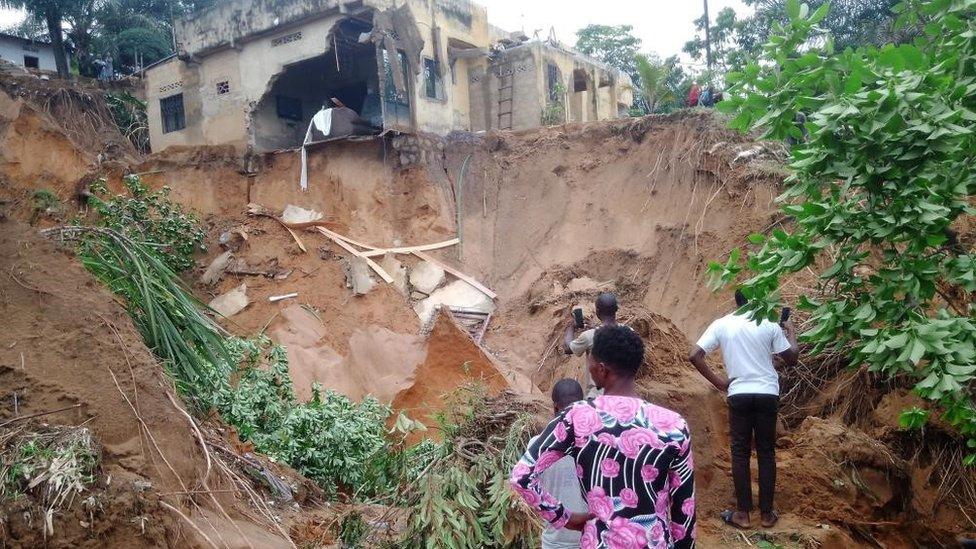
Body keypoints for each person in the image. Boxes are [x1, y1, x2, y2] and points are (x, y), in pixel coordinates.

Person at [512, 325, 696, 548]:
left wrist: (564, 517)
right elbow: (684, 509)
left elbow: (522, 476)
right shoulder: (674, 425)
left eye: (591, 360)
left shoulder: (577, 417)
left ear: (601, 370)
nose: (589, 366)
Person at [687, 290, 798, 529]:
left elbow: (694, 355)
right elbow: (791, 358)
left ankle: (743, 514)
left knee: (740, 452)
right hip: (767, 392)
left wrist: (720, 383)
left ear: (736, 301)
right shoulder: (768, 323)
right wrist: (790, 330)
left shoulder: (722, 324)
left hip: (739, 392)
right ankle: (767, 515)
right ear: (758, 299)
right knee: (766, 452)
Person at [534, 379, 588, 549]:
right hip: (591, 538)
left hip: (555, 540)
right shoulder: (596, 444)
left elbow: (526, 487)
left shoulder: (537, 445)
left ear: (555, 407)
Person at [564, 293, 626, 397]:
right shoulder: (629, 332)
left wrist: (571, 327)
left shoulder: (589, 336)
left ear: (597, 311)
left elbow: (567, 348)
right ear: (616, 309)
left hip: (597, 397)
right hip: (623, 395)